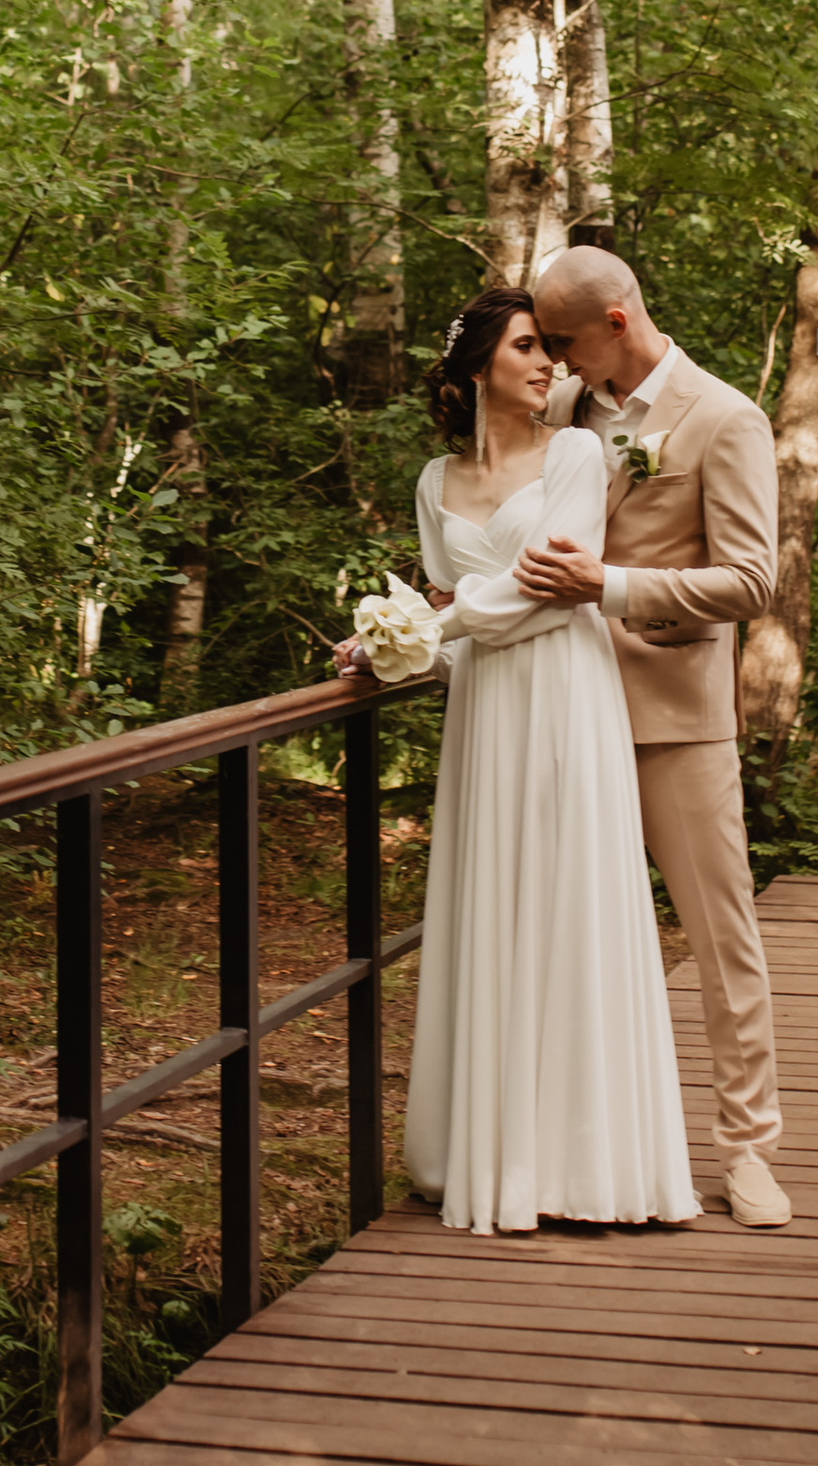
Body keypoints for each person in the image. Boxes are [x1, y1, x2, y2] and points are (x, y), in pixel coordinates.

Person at [337, 287, 699, 1236]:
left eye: (551, 349)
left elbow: (540, 594)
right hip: (486, 713)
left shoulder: (576, 455)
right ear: (477, 368)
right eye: (530, 348)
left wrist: (418, 624)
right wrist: (399, 646)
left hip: (568, 698)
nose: (551, 365)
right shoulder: (431, 483)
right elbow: (456, 627)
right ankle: (485, 1152)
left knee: (572, 904)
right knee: (492, 909)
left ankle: (587, 1163)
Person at [515, 244, 791, 1229]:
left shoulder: (724, 418)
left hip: (675, 718)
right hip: (562, 710)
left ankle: (749, 1148)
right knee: (559, 936)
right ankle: (561, 1150)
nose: (551, 359)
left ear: (616, 322)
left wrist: (615, 587)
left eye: (562, 340)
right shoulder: (560, 414)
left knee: (721, 936)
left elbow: (750, 580)